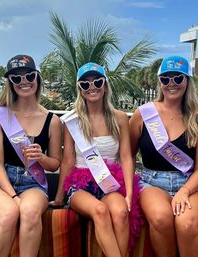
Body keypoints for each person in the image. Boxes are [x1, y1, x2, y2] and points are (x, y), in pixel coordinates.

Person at [51, 62, 141, 257]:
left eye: (97, 82)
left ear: (105, 86)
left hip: (110, 182)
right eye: (85, 84)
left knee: (121, 213)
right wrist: (59, 197)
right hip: (80, 184)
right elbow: (68, 161)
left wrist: (129, 194)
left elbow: (126, 157)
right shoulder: (72, 121)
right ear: (80, 90)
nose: (92, 87)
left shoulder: (120, 118)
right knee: (100, 210)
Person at [0, 54, 61, 257]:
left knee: (30, 212)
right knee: (8, 213)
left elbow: (54, 165)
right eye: (16, 78)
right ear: (10, 83)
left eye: (29, 76)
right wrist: (14, 197)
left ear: (37, 79)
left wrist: (41, 157)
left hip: (33, 182)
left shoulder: (52, 120)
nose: (23, 82)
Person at [129, 56, 198, 257]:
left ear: (187, 82)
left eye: (178, 78)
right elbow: (128, 156)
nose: (171, 83)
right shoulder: (143, 114)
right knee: (160, 218)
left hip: (191, 184)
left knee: (187, 223)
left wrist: (184, 191)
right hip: (151, 182)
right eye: (165, 79)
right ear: (160, 82)